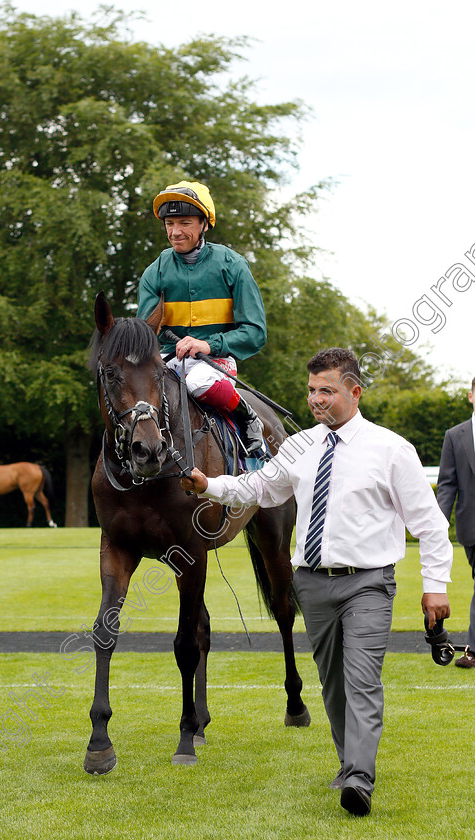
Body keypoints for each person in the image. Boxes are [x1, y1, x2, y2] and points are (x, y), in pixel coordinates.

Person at [181, 347, 452, 817]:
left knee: (361, 680)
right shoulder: (299, 447)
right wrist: (211, 486)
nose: (317, 400)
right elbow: (261, 487)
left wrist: (436, 585)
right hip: (311, 584)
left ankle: (360, 780)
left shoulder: (392, 450)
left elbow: (429, 525)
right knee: (332, 685)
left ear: (355, 391)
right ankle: (349, 763)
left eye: (327, 390)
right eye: (311, 391)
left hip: (369, 584)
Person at [137, 180, 267, 455]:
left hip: (215, 363)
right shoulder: (154, 272)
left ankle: (249, 418)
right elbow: (147, 332)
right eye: (170, 224)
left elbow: (255, 333)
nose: (175, 232)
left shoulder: (233, 265)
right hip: (171, 362)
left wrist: (206, 345)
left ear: (204, 224)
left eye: (184, 223)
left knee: (198, 382)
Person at [436, 376, 475, 668]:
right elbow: (447, 484)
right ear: (471, 396)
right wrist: (437, 524)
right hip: (472, 526)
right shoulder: (455, 435)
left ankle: (473, 650)